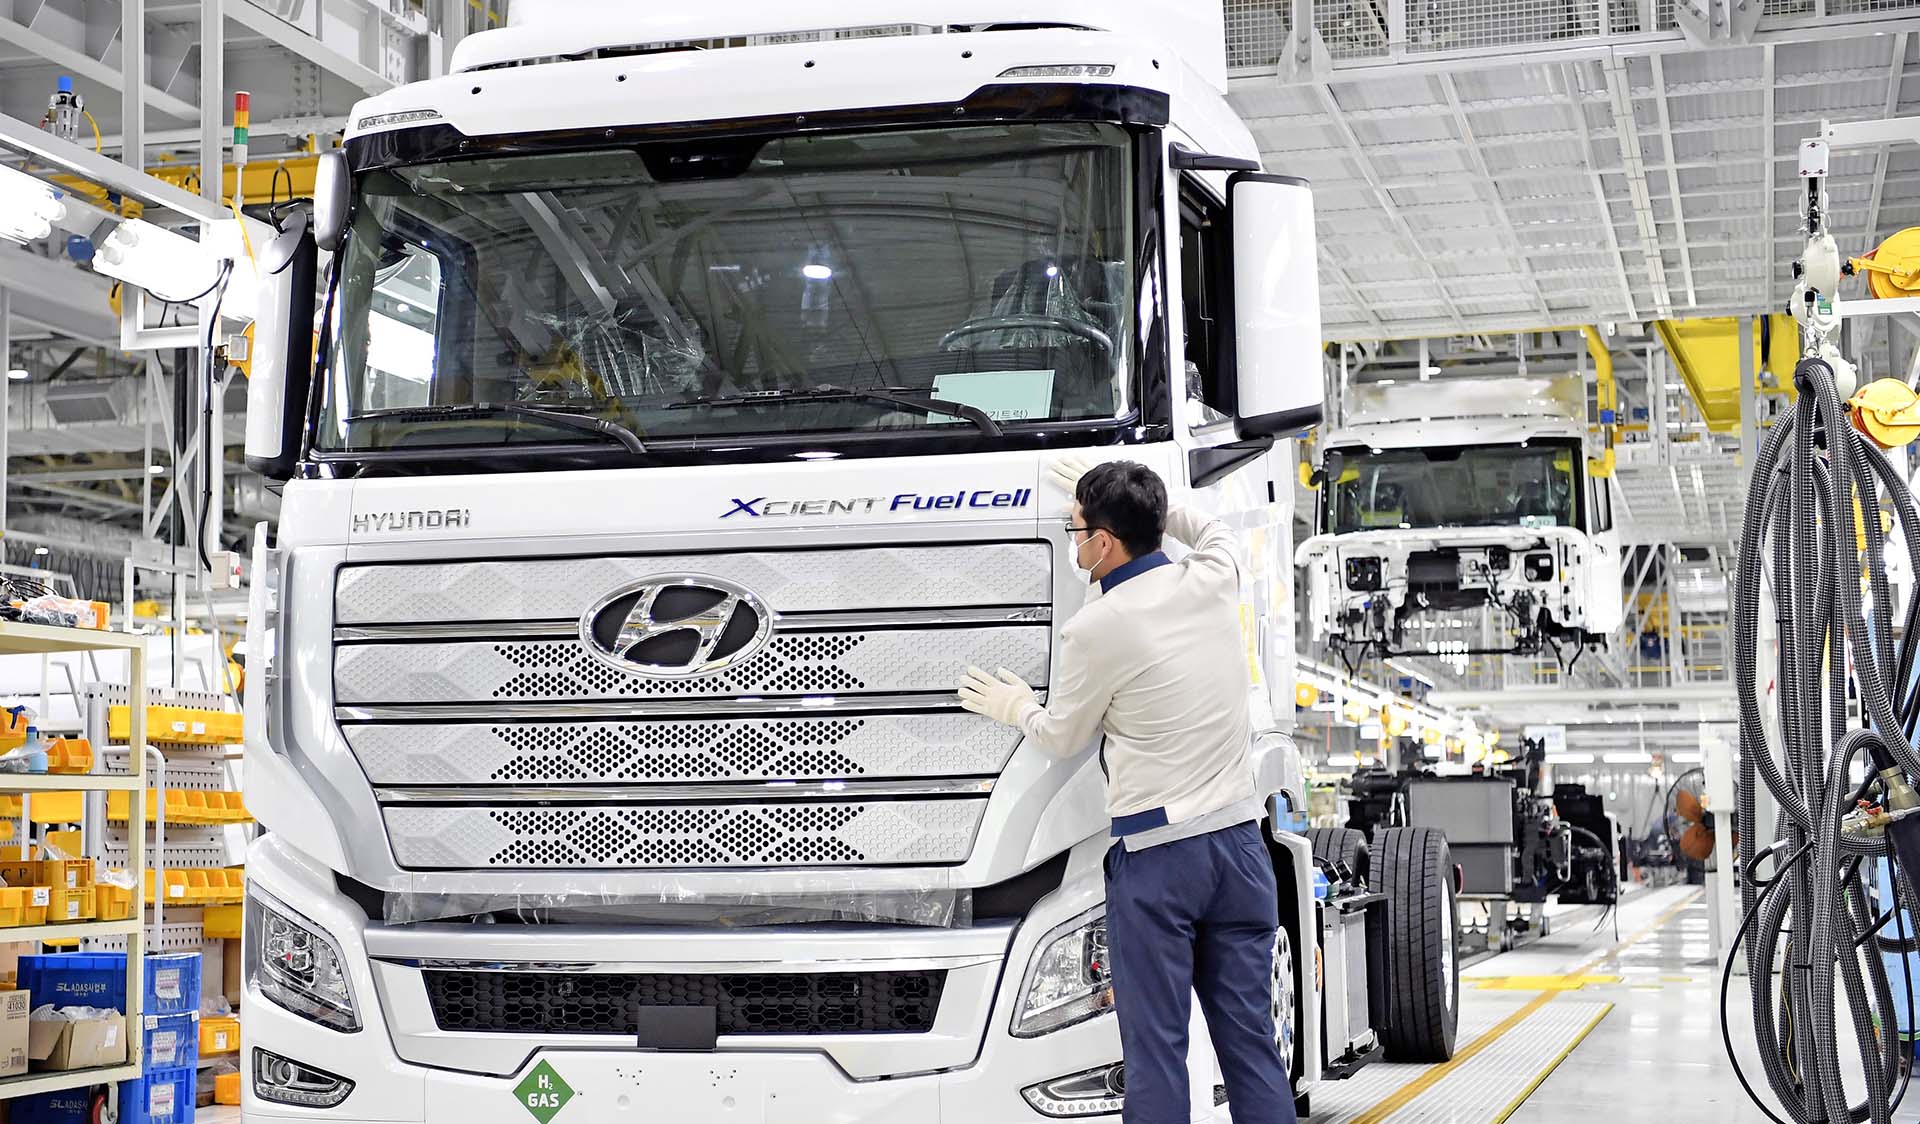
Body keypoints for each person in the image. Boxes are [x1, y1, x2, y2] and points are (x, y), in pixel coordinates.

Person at [957, 456, 1294, 1124]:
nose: (1073, 539)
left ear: (1104, 543)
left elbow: (1062, 736)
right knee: (1252, 1045)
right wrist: (1147, 503)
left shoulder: (1096, 629)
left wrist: (1015, 706)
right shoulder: (1214, 577)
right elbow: (1214, 529)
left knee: (1157, 1051)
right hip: (1241, 851)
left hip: (1159, 862)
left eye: (1076, 528)